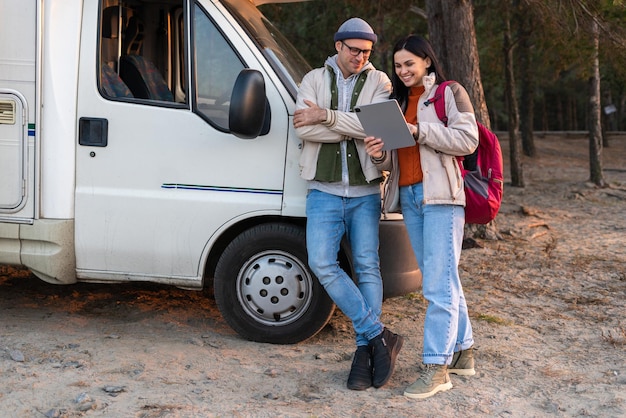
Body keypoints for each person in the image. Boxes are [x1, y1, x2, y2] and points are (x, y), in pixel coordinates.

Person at [364, 34, 479, 399]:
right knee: (440, 277)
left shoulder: (448, 92)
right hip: (410, 197)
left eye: (409, 64)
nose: (403, 71)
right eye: (397, 66)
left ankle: (436, 367)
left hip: (442, 197)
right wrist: (379, 152)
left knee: (437, 285)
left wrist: (419, 131)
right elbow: (391, 161)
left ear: (426, 61)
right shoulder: (396, 102)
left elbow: (468, 139)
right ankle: (463, 351)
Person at [293, 17, 403, 391]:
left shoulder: (381, 81)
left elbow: (381, 128)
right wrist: (357, 123)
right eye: (354, 49)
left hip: (365, 192)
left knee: (368, 267)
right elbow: (302, 128)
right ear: (338, 45)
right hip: (323, 190)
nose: (360, 57)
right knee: (322, 262)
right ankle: (378, 335)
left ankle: (363, 351)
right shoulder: (312, 80)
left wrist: (324, 115)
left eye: (366, 51)